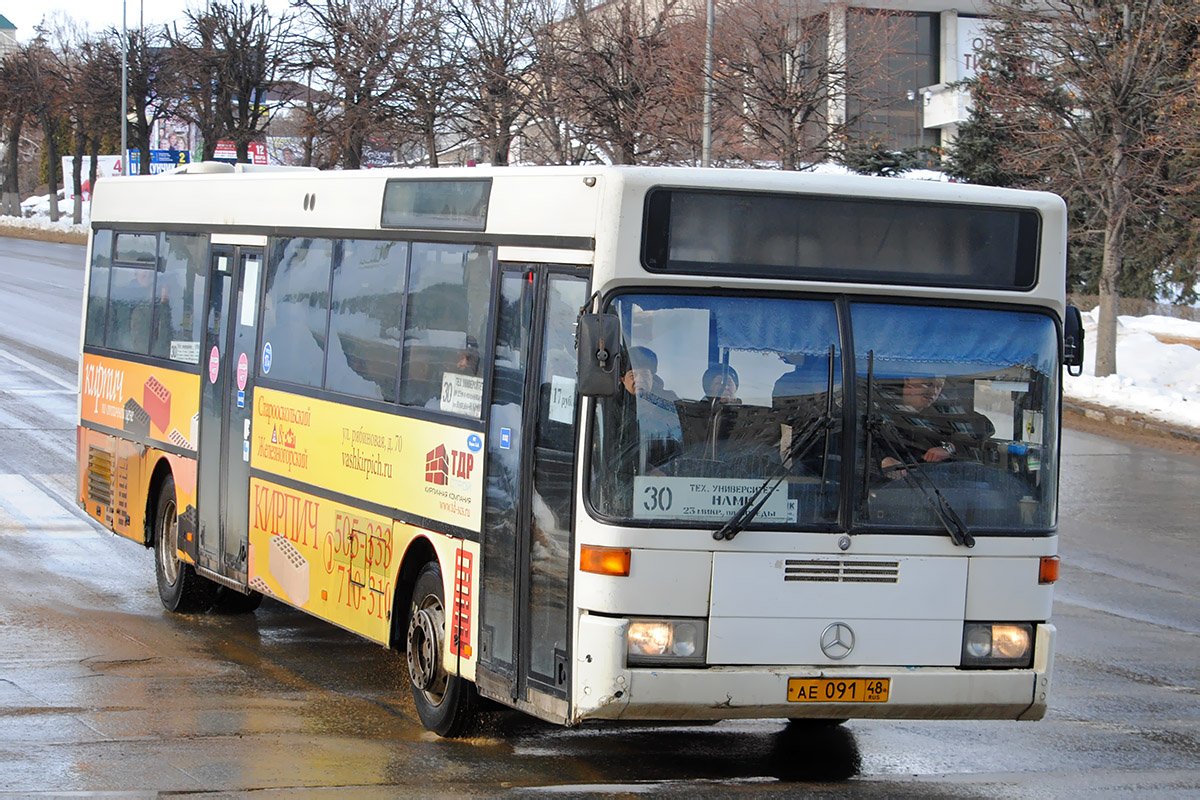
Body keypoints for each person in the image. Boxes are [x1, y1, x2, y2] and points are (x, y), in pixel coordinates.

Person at [873, 375, 994, 480]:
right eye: (928, 384)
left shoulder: (944, 410)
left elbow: (984, 427)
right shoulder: (879, 406)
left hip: (943, 484)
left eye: (938, 386)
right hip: (894, 489)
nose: (933, 391)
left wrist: (949, 448)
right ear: (908, 379)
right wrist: (882, 460)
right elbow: (861, 442)